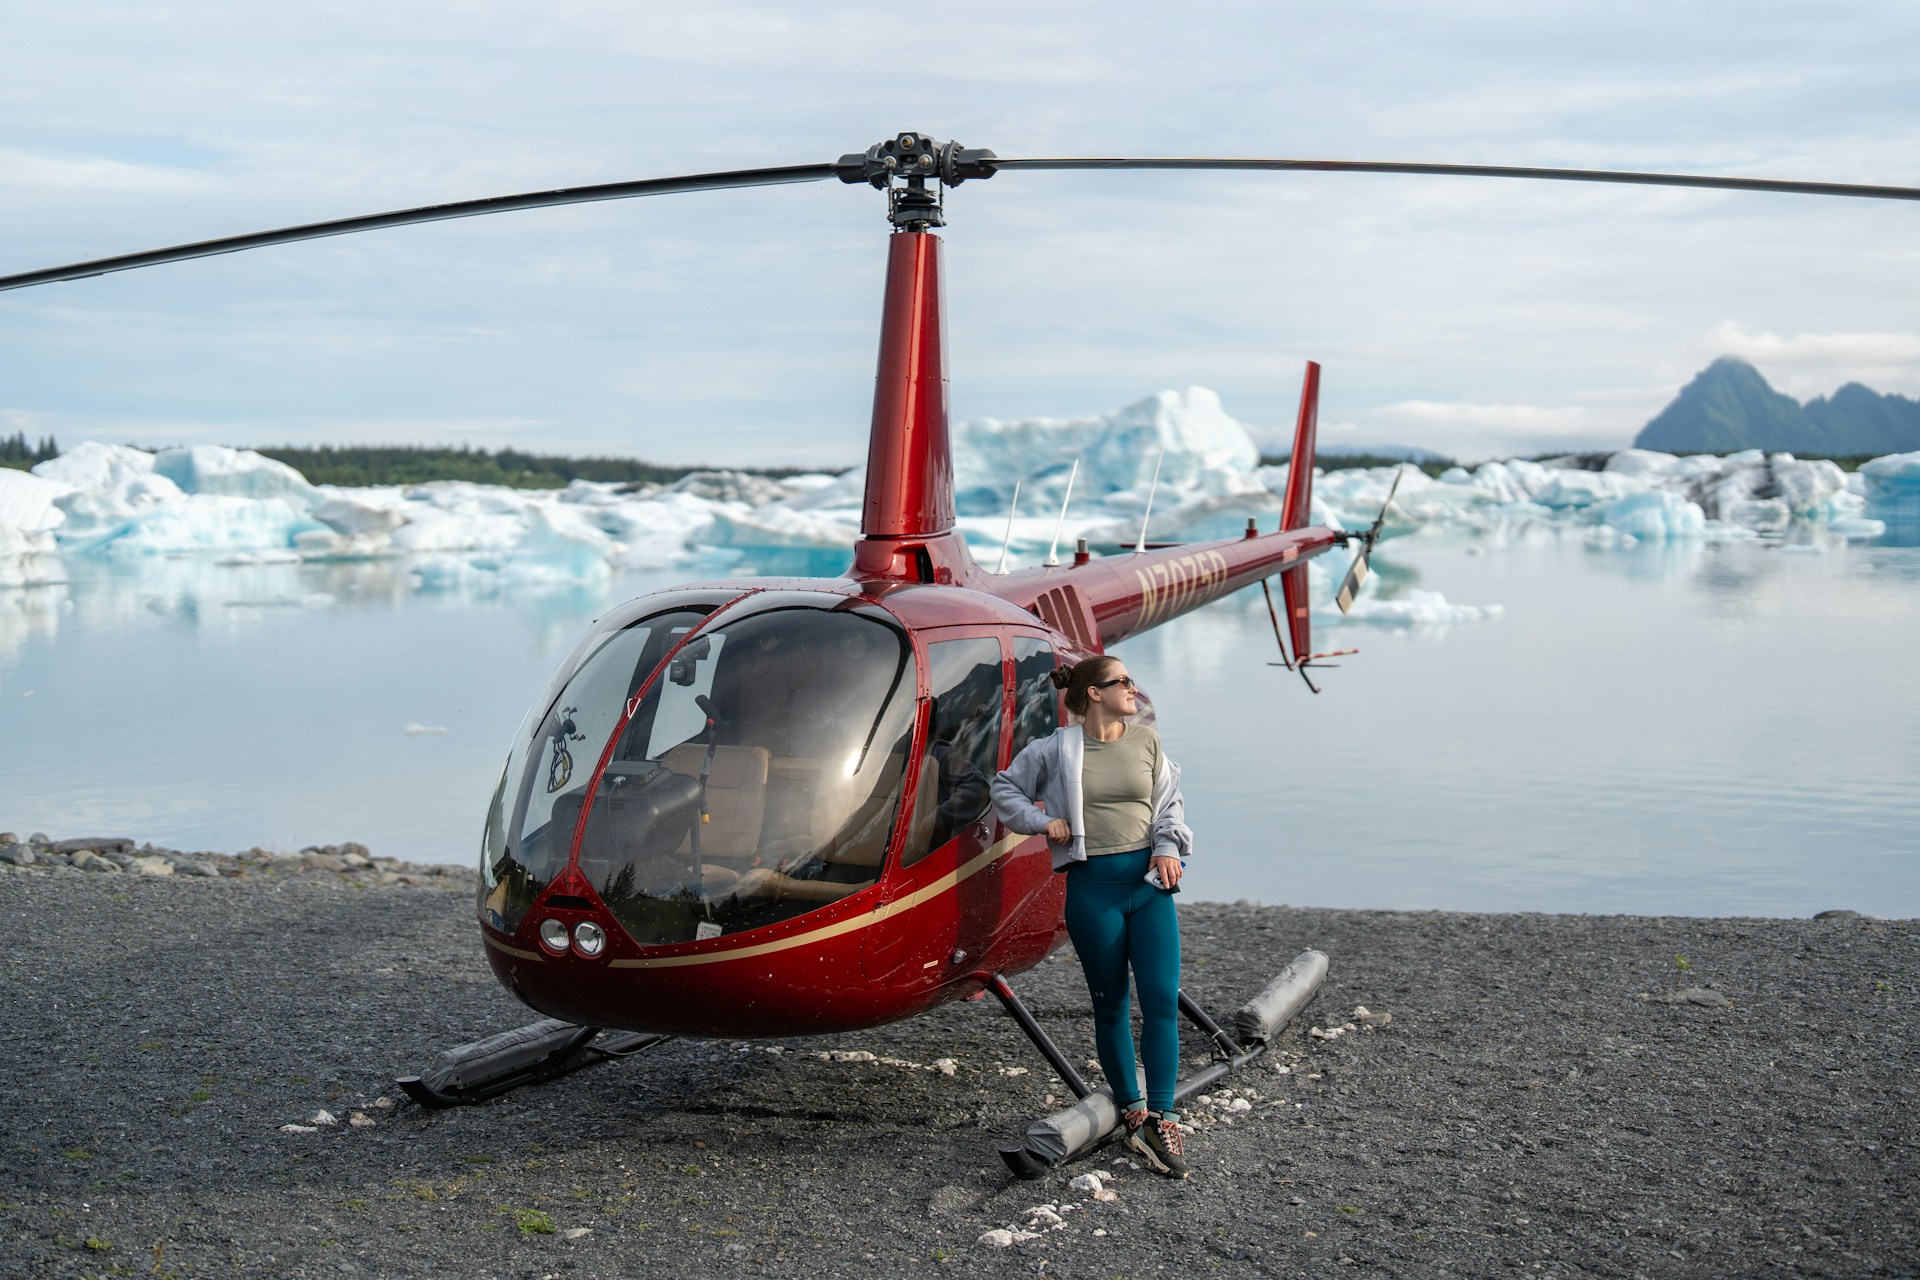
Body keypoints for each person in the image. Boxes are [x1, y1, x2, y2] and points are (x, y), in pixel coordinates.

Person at [989, 654, 1195, 1178]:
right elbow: (1004, 788)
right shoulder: (1058, 749)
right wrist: (1041, 821)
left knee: (1160, 1001)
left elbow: (1169, 803)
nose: (1133, 687)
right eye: (1122, 681)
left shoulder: (1145, 740)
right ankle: (1132, 1111)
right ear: (1095, 694)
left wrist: (1169, 847)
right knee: (1110, 1005)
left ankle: (1163, 1117)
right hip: (1092, 892)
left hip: (1149, 888)